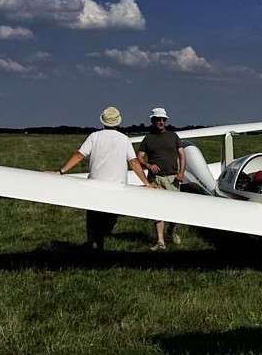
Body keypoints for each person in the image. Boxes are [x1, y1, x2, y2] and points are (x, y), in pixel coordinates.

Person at [51, 106, 153, 251]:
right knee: (108, 220)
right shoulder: (124, 139)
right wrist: (146, 183)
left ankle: (94, 242)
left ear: (103, 122)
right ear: (118, 122)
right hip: (117, 188)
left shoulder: (95, 136)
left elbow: (80, 155)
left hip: (94, 185)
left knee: (93, 217)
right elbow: (134, 162)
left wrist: (61, 171)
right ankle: (96, 244)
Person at [137, 106, 186, 251]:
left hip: (172, 177)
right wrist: (148, 164)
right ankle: (160, 241)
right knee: (157, 209)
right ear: (153, 121)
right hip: (155, 178)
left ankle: (172, 229)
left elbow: (182, 155)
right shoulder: (148, 139)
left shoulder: (173, 136)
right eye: (158, 120)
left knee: (174, 209)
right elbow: (139, 157)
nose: (161, 122)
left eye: (163, 120)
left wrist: (181, 172)